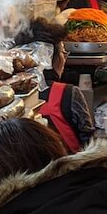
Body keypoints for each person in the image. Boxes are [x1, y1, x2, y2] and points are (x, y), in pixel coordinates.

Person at [17, 17, 95, 151]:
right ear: (51, 58)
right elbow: (88, 141)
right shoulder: (68, 93)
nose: (64, 59)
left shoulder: (9, 94)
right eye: (63, 53)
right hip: (66, 168)